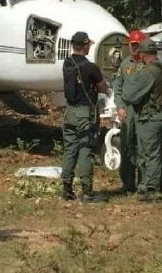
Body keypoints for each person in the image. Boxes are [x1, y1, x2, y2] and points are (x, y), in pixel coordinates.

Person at [122, 38, 162, 202]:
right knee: (158, 153)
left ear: (143, 54)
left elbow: (129, 95)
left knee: (149, 153)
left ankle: (152, 189)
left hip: (150, 117)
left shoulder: (147, 72)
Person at [61, 31, 108, 202]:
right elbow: (102, 87)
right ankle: (87, 192)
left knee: (70, 150)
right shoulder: (91, 67)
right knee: (86, 150)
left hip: (70, 112)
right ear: (85, 45)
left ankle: (66, 189)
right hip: (85, 113)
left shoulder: (67, 64)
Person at [112, 30, 146, 194]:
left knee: (143, 147)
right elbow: (117, 87)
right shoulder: (125, 64)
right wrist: (120, 107)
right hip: (128, 111)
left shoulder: (149, 64)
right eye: (133, 45)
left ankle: (144, 183)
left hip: (144, 111)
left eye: (138, 45)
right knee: (126, 146)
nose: (135, 48)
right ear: (129, 45)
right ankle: (128, 184)